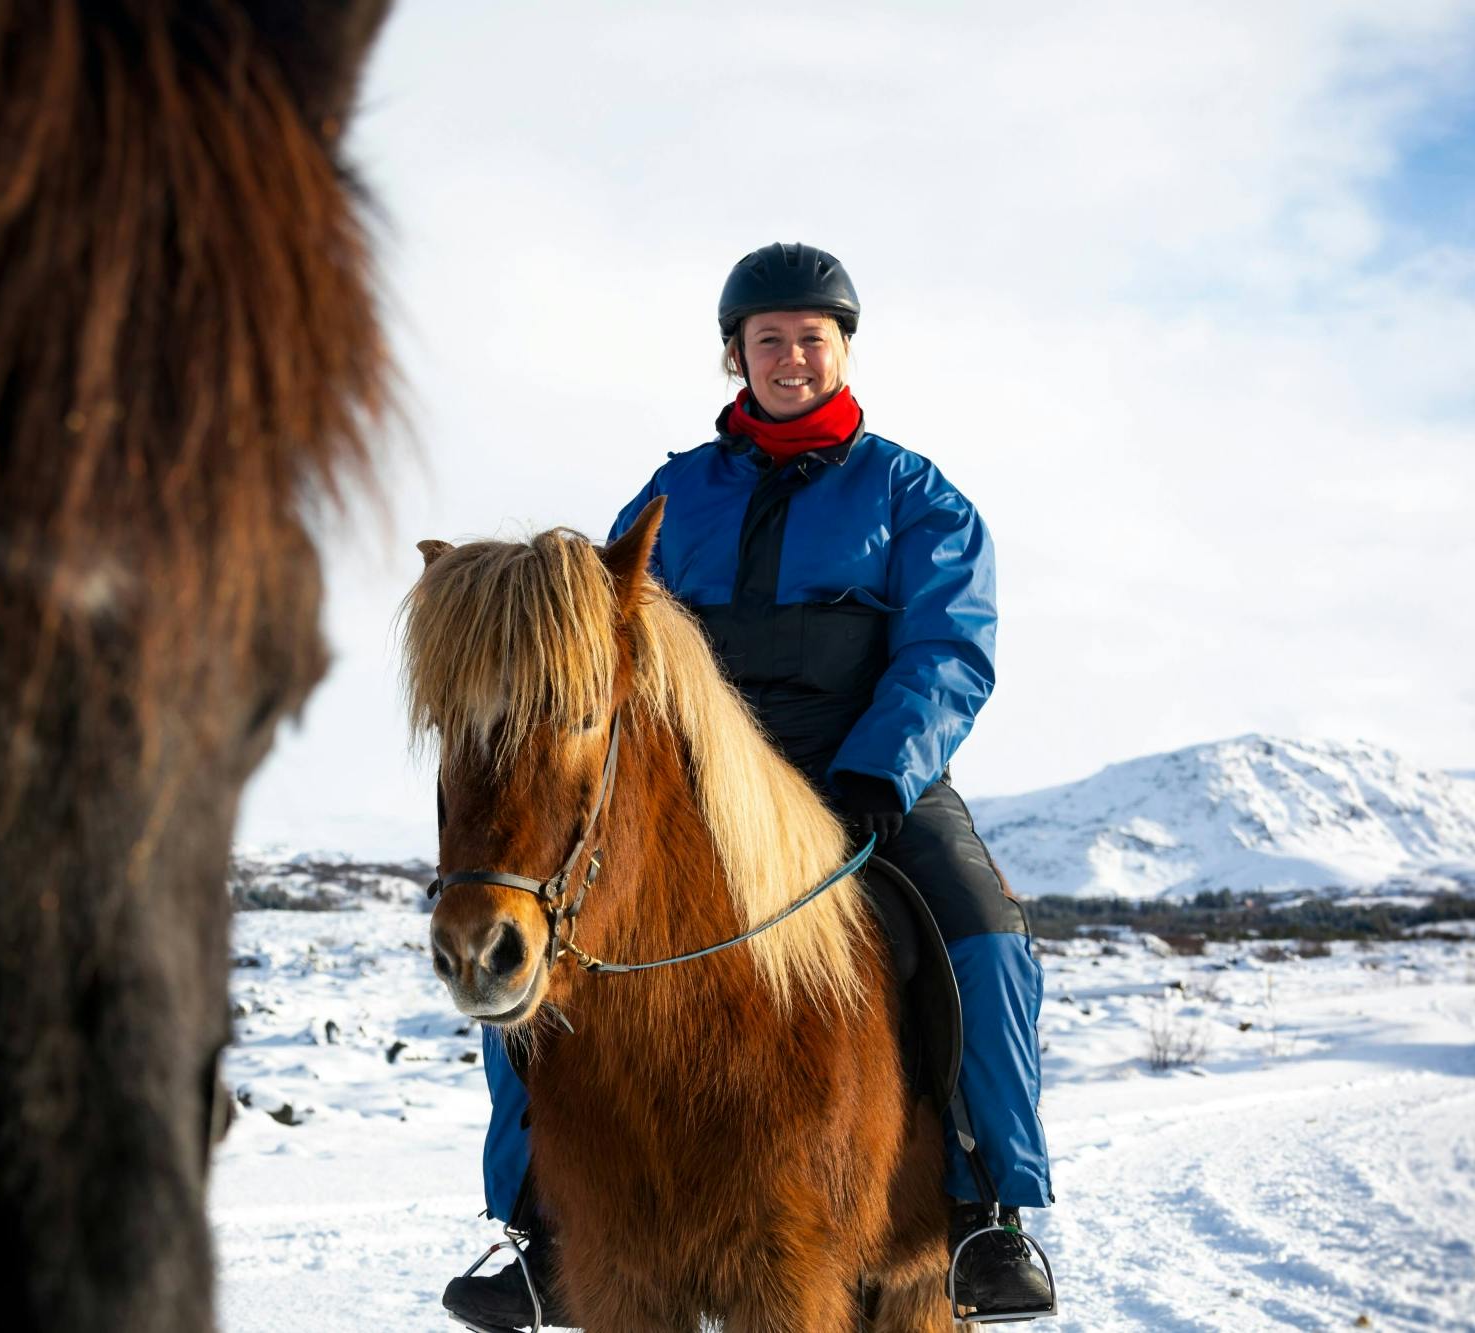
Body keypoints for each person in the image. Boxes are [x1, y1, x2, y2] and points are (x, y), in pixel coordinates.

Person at [442, 242, 1055, 1330]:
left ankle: (986, 1208)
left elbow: (949, 650)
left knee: (985, 933)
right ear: (736, 355)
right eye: (768, 339)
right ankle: (534, 1224)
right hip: (702, 790)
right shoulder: (673, 492)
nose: (791, 356)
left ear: (843, 350)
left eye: (811, 338)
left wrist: (885, 762)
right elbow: (604, 635)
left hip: (866, 776)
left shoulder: (914, 496)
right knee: (533, 936)